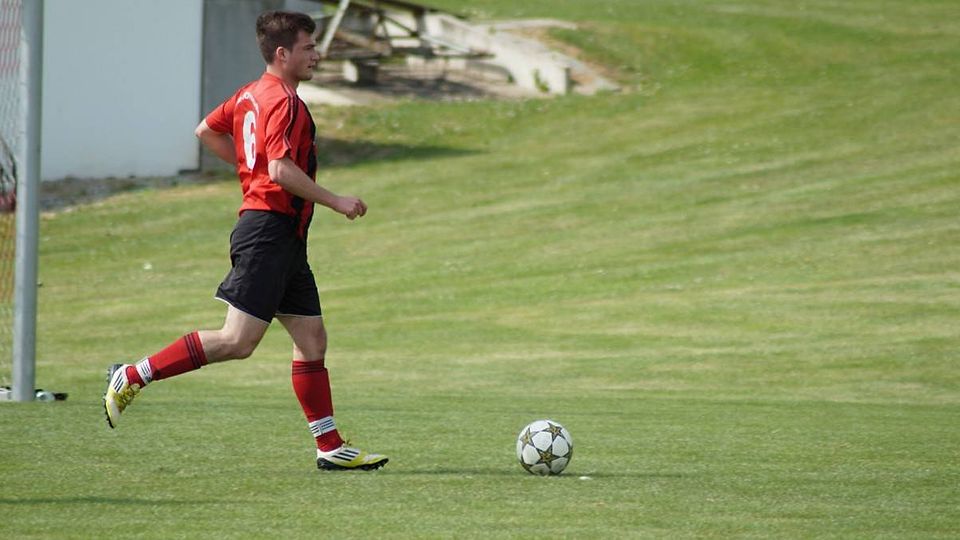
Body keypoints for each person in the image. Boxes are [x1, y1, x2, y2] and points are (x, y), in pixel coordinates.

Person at [102, 10, 388, 471]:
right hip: (268, 232)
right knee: (237, 341)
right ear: (283, 53)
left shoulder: (250, 94)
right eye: (308, 47)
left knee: (311, 339)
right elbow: (279, 169)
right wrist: (335, 200)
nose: (316, 54)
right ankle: (134, 374)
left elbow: (206, 131)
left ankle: (330, 446)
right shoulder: (285, 101)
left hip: (283, 236)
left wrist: (248, 171)